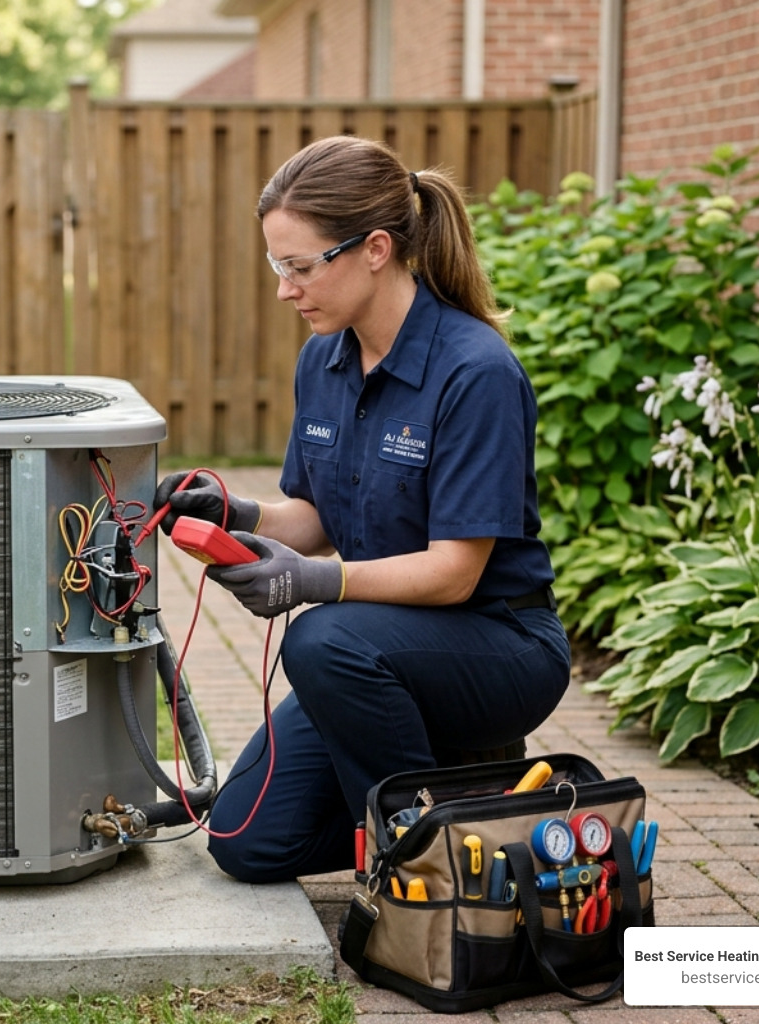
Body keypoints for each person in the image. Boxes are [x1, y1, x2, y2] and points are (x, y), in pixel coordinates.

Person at [153, 136, 570, 884]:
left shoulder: (475, 373)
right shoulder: (325, 357)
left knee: (317, 642)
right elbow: (312, 516)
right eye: (276, 265)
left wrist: (314, 584)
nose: (285, 288)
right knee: (247, 841)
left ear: (375, 248)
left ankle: (428, 864)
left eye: (300, 265)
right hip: (374, 655)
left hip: (498, 645)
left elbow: (454, 573)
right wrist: (234, 512)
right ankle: (475, 802)